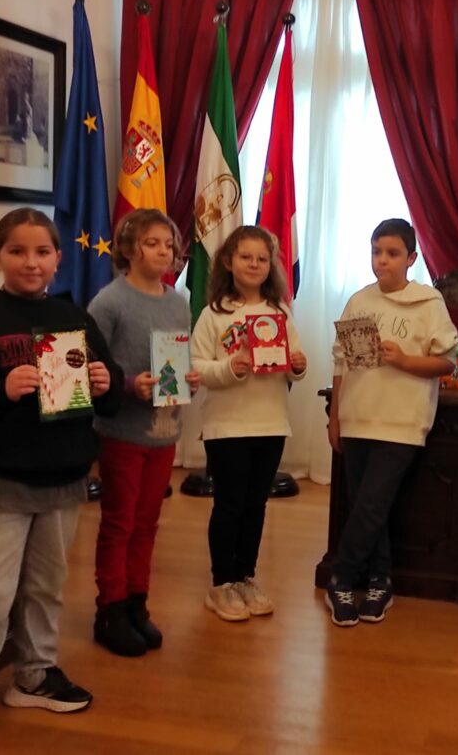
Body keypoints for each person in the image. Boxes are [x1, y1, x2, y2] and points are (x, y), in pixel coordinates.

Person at [0, 208, 123, 755]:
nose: (30, 262)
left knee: (45, 589)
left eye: (42, 252)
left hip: (61, 481)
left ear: (58, 258)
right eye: (17, 251)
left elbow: (108, 386)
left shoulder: (73, 317)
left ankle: (34, 674)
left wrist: (106, 381)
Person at [324, 218, 458, 627]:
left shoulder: (428, 302)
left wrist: (404, 360)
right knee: (369, 506)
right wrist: (335, 417)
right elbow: (341, 362)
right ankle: (380, 581)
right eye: (376, 252)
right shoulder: (358, 301)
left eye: (392, 253)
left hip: (401, 422)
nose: (382, 260)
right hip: (357, 417)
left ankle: (341, 578)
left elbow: (447, 362)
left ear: (411, 258)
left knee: (371, 503)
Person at [87, 209, 201, 657]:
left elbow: (177, 357)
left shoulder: (177, 302)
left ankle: (137, 601)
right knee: (120, 521)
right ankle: (110, 608)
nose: (163, 252)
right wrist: (129, 384)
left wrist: (187, 378)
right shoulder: (109, 302)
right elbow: (92, 367)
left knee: (148, 521)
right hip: (122, 430)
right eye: (153, 243)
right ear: (130, 249)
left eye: (169, 245)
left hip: (163, 430)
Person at [191, 225, 307, 622]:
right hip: (226, 427)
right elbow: (197, 367)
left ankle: (245, 577)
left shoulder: (279, 313)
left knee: (256, 505)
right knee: (229, 504)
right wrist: (230, 367)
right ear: (228, 262)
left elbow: (293, 365)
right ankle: (222, 582)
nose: (255, 264)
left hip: (271, 424)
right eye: (246, 257)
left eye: (262, 258)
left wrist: (298, 365)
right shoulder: (214, 314)